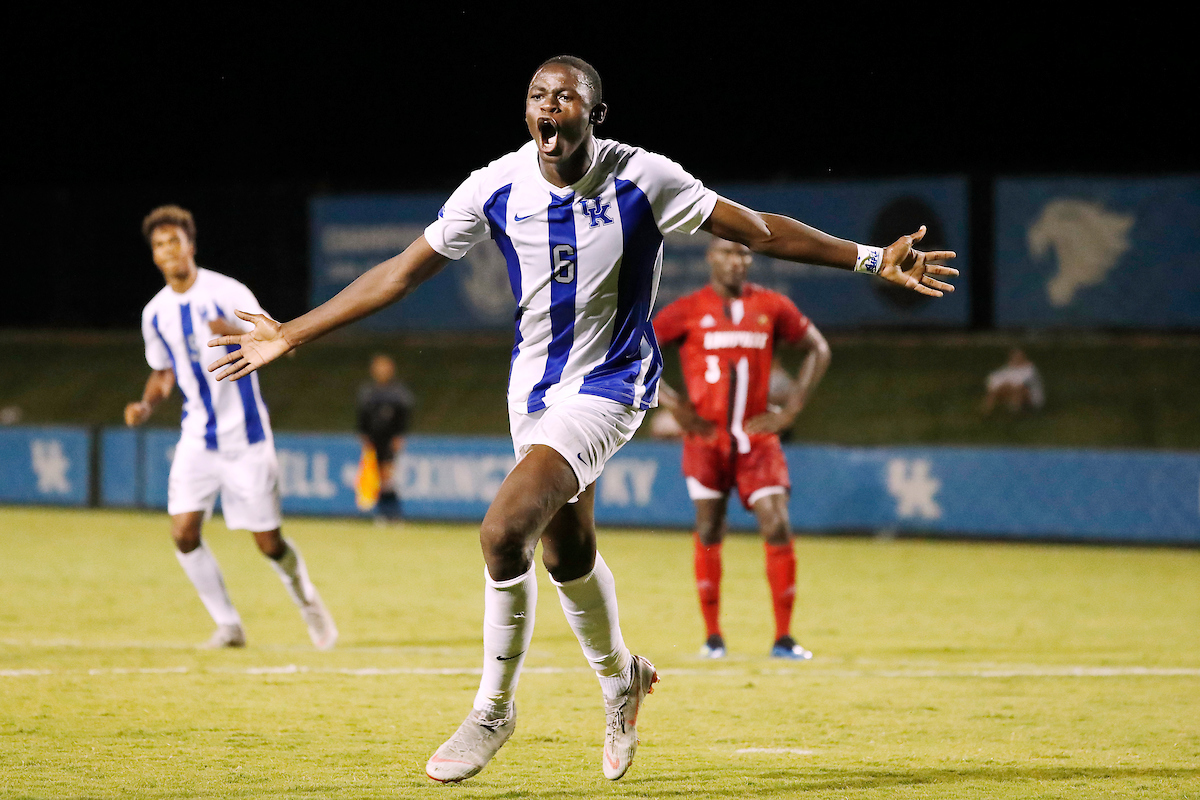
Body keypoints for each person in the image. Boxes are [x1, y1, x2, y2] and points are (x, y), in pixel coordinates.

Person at [207, 56, 956, 783]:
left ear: (595, 116)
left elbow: (758, 229)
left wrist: (867, 259)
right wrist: (292, 331)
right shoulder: (496, 184)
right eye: (538, 95)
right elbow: (400, 273)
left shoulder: (646, 177)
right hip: (532, 392)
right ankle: (621, 677)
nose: (548, 107)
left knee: (503, 531)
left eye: (565, 98)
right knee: (566, 553)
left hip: (613, 386)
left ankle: (492, 710)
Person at [125, 204, 337, 651]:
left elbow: (282, 341)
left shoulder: (227, 292)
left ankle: (309, 603)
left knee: (268, 543)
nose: (168, 250)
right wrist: (146, 405)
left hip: (247, 440)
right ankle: (229, 625)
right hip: (197, 440)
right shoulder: (155, 313)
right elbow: (163, 373)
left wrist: (251, 335)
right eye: (159, 245)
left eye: (174, 241)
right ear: (155, 256)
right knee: (183, 533)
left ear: (190, 246)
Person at [654, 237, 831, 661]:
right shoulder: (687, 309)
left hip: (757, 440)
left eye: (743, 254)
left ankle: (784, 638)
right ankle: (713, 637)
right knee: (710, 530)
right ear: (710, 258)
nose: (737, 261)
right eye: (727, 253)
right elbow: (636, 353)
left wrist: (790, 411)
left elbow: (818, 349)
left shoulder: (771, 305)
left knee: (777, 524)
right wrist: (676, 406)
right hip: (706, 440)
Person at [356, 353, 416, 521]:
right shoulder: (368, 392)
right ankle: (384, 513)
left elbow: (403, 416)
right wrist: (363, 435)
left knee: (387, 477)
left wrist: (399, 436)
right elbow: (363, 417)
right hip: (373, 441)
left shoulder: (398, 393)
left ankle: (392, 513)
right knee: (376, 478)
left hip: (389, 440)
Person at [982, 347, 1044, 414]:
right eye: (1014, 357)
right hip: (1011, 391)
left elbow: (1021, 383)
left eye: (1019, 357)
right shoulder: (1009, 368)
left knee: (1017, 389)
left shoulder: (1030, 369)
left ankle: (1014, 413)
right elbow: (994, 378)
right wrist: (1002, 385)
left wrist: (1007, 384)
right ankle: (986, 411)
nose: (1016, 359)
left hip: (1031, 398)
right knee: (994, 390)